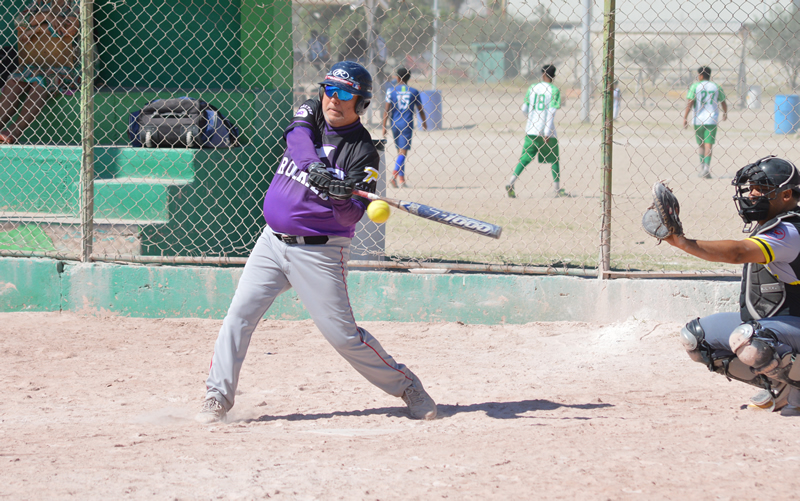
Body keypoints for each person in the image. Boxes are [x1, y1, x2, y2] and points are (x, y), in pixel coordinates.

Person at [195, 61, 437, 424]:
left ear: (361, 103)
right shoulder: (312, 112)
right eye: (330, 90)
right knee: (238, 317)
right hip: (271, 243)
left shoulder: (363, 153)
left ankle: (406, 385)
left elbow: (350, 218)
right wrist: (315, 169)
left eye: (344, 95)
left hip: (320, 252)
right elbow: (296, 139)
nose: (333, 99)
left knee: (344, 338)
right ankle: (217, 395)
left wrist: (339, 196)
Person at [665, 155, 800, 416]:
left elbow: (737, 253)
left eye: (761, 188)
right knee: (697, 339)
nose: (752, 194)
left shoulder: (790, 232)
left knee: (750, 339)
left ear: (785, 195)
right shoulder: (773, 226)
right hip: (778, 327)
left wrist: (683, 242)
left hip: (792, 327)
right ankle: (780, 386)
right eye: (749, 188)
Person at [0, 0, 79, 145]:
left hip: (69, 66)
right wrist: (47, 15)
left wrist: (35, 29)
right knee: (15, 78)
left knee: (43, 79)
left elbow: (69, 30)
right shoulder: (40, 3)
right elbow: (18, 22)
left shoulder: (75, 4)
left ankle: (14, 131)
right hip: (36, 62)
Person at [506, 64, 569, 199]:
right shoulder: (554, 90)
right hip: (547, 130)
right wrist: (546, 132)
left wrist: (532, 119)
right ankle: (557, 189)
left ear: (543, 74)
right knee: (554, 159)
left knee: (525, 158)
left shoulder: (532, 88)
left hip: (531, 129)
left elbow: (524, 109)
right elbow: (551, 112)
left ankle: (511, 182)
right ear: (554, 76)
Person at [382, 67, 427, 188]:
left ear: (397, 77)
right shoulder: (413, 91)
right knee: (403, 152)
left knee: (400, 152)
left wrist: (383, 126)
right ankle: (394, 175)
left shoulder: (391, 90)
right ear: (409, 78)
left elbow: (386, 110)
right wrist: (424, 122)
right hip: (406, 124)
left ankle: (401, 180)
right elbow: (420, 109)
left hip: (394, 123)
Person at [683, 66, 727, 179]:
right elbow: (723, 102)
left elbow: (690, 102)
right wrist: (725, 112)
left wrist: (685, 117)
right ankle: (706, 168)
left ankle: (702, 167)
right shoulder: (716, 86)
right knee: (709, 144)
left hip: (698, 119)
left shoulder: (695, 86)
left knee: (701, 144)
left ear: (700, 75)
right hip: (711, 119)